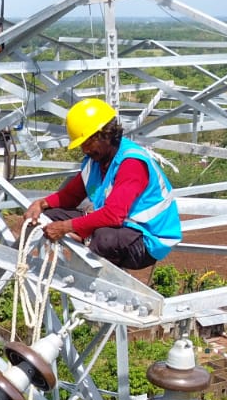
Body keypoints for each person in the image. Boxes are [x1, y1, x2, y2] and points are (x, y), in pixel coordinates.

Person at [23, 96, 180, 270]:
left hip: (147, 239)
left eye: (89, 142)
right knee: (51, 216)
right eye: (82, 144)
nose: (85, 149)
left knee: (104, 238)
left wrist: (67, 227)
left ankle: (86, 267)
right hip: (119, 227)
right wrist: (41, 204)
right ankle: (53, 259)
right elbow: (70, 196)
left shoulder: (131, 164)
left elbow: (113, 215)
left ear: (106, 134)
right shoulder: (97, 161)